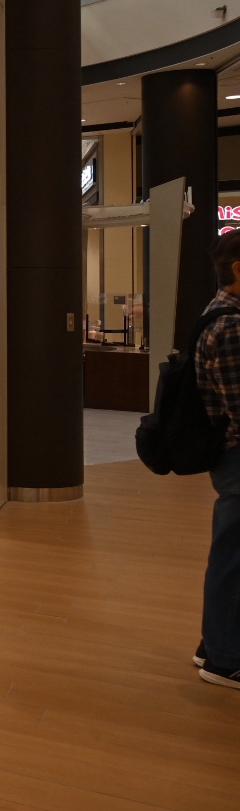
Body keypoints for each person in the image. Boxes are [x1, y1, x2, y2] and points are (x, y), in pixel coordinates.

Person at [192, 232, 240, 689]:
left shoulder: (217, 313)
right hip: (237, 456)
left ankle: (215, 644)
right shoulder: (233, 326)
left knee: (230, 552)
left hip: (228, 455)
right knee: (233, 557)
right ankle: (225, 659)